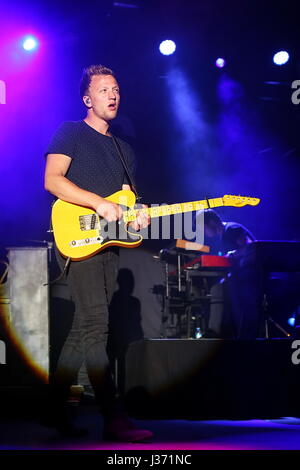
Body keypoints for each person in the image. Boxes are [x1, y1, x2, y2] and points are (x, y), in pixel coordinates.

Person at [43, 64, 153, 441]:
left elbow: (126, 202)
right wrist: (96, 203)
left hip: (108, 245)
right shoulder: (71, 132)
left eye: (116, 88)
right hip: (77, 238)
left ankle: (54, 410)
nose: (113, 94)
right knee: (96, 327)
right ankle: (113, 418)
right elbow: (53, 180)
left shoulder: (124, 150)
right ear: (88, 99)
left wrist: (137, 218)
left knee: (80, 331)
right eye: (104, 89)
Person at [192, 209, 257, 339]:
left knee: (218, 289)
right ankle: (223, 331)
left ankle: (217, 331)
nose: (203, 232)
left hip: (251, 276)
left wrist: (231, 255)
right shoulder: (223, 236)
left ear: (211, 222)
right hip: (241, 276)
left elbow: (251, 248)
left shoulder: (232, 229)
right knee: (218, 288)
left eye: (202, 228)